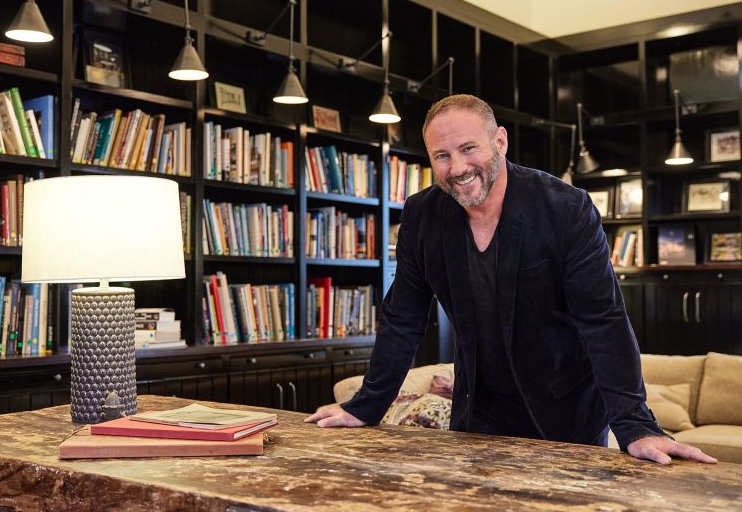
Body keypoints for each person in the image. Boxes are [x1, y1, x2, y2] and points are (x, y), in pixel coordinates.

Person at [305, 94, 716, 466]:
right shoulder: (422, 215)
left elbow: (602, 322)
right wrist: (365, 406)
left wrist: (636, 425)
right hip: (478, 407)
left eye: (469, 149)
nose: (458, 168)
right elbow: (402, 318)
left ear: (499, 142)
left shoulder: (566, 208)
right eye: (442, 156)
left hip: (565, 407)